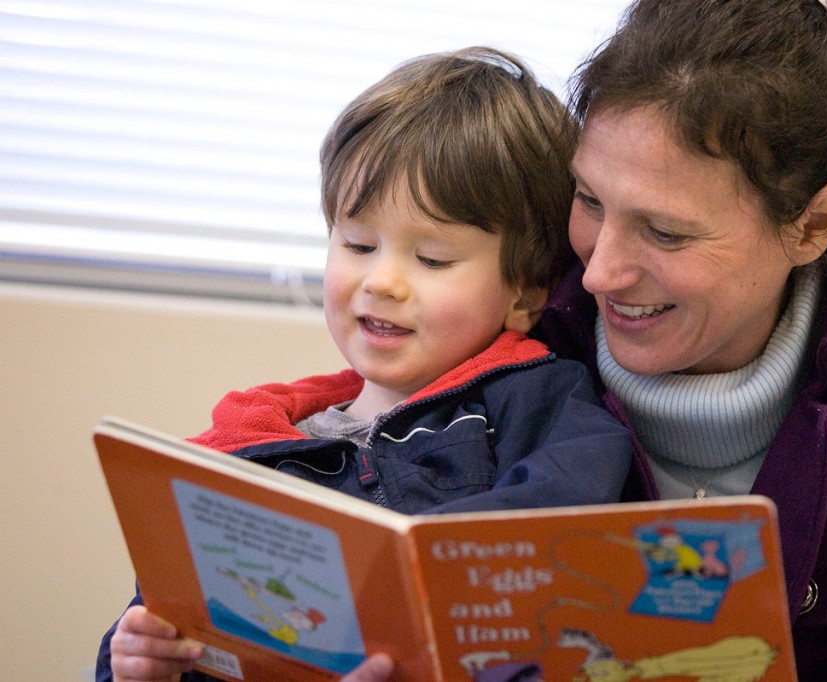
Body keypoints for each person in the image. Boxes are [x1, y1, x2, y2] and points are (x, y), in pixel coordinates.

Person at [338, 0, 827, 680]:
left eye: (665, 232)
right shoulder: (496, 344)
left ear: (812, 225)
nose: (598, 270)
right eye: (589, 200)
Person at [95, 47, 635, 682]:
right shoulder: (244, 450)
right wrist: (136, 659)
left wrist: (394, 575)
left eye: (432, 259)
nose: (382, 282)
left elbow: (571, 526)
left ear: (523, 295)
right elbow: (170, 614)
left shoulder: (535, 398)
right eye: (356, 243)